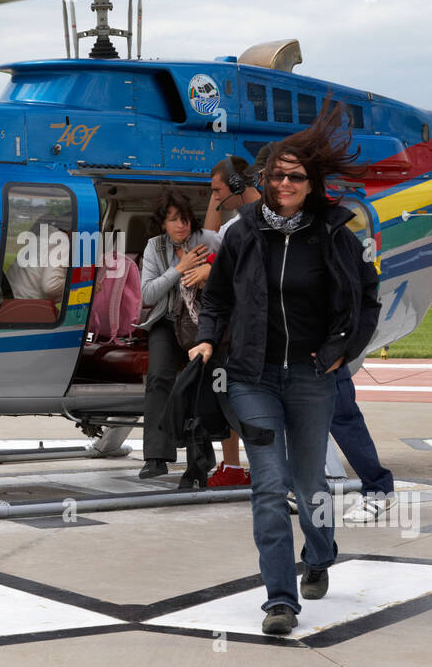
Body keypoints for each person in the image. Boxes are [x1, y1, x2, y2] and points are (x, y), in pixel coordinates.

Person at [189, 103, 380, 634]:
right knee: (269, 485)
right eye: (276, 174)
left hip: (313, 377)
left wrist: (344, 349)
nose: (285, 182)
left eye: (295, 175)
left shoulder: (335, 235)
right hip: (252, 377)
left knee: (309, 481)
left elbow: (368, 299)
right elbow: (218, 297)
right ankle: (280, 600)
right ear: (266, 180)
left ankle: (320, 554)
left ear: (311, 181)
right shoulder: (243, 233)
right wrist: (206, 341)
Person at [138, 187, 223, 485]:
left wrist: (208, 268)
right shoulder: (154, 248)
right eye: (173, 219)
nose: (181, 225)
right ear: (162, 222)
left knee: (197, 385)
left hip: (201, 322)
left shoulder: (208, 240)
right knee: (159, 377)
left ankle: (199, 461)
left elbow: (233, 265)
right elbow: (147, 293)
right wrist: (180, 269)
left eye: (185, 218)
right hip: (167, 320)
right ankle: (156, 456)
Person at [202, 156, 263, 487]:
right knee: (230, 394)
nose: (215, 197)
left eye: (218, 190)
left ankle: (266, 464)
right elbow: (207, 242)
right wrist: (216, 197)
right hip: (236, 329)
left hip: (261, 330)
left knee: (253, 398)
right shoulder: (232, 227)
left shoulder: (273, 218)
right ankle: (234, 465)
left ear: (239, 186)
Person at [333, 367, 398, 521]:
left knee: (347, 428)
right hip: (290, 372)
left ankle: (378, 490)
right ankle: (295, 490)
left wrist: (333, 356)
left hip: (326, 373)